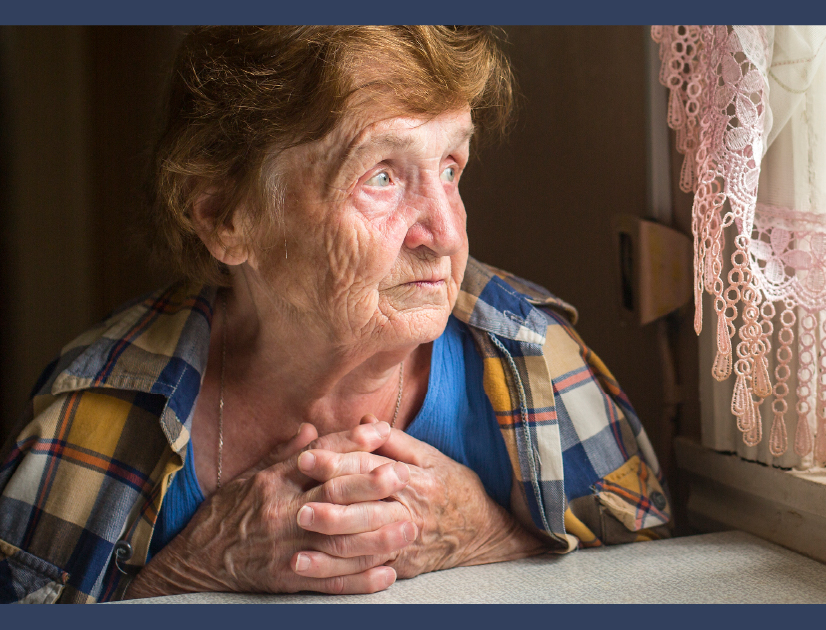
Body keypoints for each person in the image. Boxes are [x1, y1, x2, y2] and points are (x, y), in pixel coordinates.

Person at [0, 26, 670, 604]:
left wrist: (491, 535)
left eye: (449, 167)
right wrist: (193, 567)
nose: (444, 233)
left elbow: (668, 580)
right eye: (379, 174)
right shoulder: (101, 408)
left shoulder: (532, 356)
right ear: (224, 218)